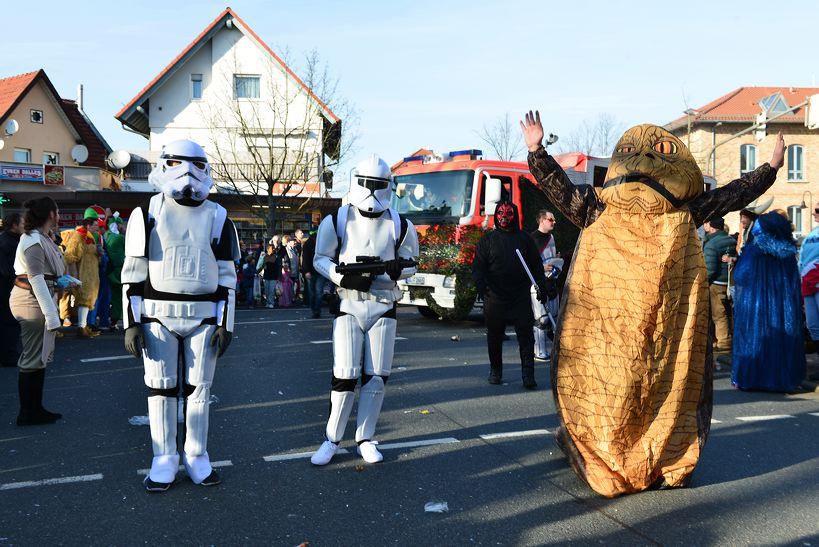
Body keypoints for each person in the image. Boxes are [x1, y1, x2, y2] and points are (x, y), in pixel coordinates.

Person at [521, 109, 784, 497]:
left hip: (621, 332)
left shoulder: (603, 209)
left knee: (623, 390)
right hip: (646, 331)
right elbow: (731, 195)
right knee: (653, 389)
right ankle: (652, 457)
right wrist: (769, 168)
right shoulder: (678, 213)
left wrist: (538, 151)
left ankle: (619, 456)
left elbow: (559, 189)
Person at [121, 139, 239, 492]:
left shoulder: (218, 216)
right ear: (164, 165)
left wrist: (226, 322)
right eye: (177, 163)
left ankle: (197, 455)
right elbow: (133, 274)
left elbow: (227, 276)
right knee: (160, 391)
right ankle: (163, 458)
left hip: (204, 316)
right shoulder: (147, 213)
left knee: (199, 391)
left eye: (196, 165)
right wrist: (131, 323)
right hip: (158, 316)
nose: (188, 173)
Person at [310, 154, 419, 466]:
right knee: (344, 376)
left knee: (376, 378)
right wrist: (342, 275)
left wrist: (398, 271)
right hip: (349, 303)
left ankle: (366, 437)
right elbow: (320, 259)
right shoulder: (338, 219)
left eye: (378, 185)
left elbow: (411, 263)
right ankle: (332, 439)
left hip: (384, 304)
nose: (372, 191)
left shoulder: (400, 224)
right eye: (367, 183)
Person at [472, 201, 550, 389]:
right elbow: (478, 266)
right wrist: (481, 285)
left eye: (508, 213)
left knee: (526, 335)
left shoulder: (524, 239)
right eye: (501, 213)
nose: (504, 217)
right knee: (495, 335)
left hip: (520, 296)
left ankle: (528, 375)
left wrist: (542, 287)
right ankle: (495, 370)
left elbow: (536, 266)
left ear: (515, 215)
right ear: (495, 215)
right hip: (495, 296)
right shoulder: (488, 240)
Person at [731, 212, 805, 392]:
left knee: (756, 337)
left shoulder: (753, 250)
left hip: (755, 302)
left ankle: (752, 378)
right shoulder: (788, 253)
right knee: (782, 337)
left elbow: (741, 275)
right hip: (783, 304)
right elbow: (795, 281)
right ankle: (784, 379)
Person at [10, 197, 66, 425]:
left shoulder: (40, 238)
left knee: (38, 358)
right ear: (51, 214)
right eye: (58, 211)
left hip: (36, 298)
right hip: (32, 301)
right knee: (32, 358)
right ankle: (27, 413)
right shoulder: (34, 240)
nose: (59, 215)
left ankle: (35, 409)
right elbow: (36, 278)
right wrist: (52, 315)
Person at [60, 208, 101, 338]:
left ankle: (84, 327)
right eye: (95, 224)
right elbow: (70, 256)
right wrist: (75, 276)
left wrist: (98, 253)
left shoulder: (90, 237)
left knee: (87, 301)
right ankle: (82, 328)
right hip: (83, 275)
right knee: (83, 301)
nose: (97, 227)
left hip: (91, 276)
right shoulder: (78, 235)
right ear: (88, 224)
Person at [529, 209, 559, 361]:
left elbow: (550, 257)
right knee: (542, 319)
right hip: (538, 283)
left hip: (552, 281)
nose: (554, 222)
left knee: (554, 317)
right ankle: (539, 351)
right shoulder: (532, 239)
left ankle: (555, 351)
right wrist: (540, 267)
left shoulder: (552, 237)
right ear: (542, 220)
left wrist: (556, 261)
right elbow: (527, 262)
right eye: (550, 219)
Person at [702, 217, 736, 356]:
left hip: (716, 284)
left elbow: (710, 270)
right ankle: (729, 340)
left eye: (706, 223)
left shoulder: (711, 244)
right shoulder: (731, 240)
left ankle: (724, 345)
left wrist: (705, 283)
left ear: (711, 226)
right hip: (730, 283)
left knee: (719, 315)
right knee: (728, 313)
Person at [0, 213, 23, 367]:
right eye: (22, 223)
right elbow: (9, 271)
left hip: (7, 288)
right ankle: (9, 356)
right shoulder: (10, 243)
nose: (25, 226)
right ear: (14, 225)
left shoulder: (9, 240)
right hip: (7, 289)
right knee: (10, 323)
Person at [105, 213, 126, 331]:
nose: (122, 226)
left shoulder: (106, 236)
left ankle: (111, 321)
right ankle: (115, 319)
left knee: (112, 297)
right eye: (120, 224)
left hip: (109, 271)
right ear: (116, 225)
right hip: (119, 271)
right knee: (120, 297)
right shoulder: (120, 238)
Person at [301, 226, 326, 318]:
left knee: (319, 292)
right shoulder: (307, 244)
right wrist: (306, 271)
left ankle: (317, 311)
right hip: (311, 271)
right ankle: (314, 309)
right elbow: (305, 259)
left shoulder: (322, 244)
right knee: (312, 293)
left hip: (320, 271)